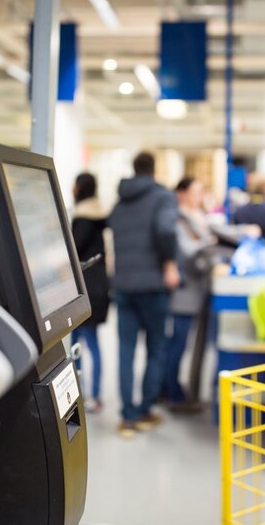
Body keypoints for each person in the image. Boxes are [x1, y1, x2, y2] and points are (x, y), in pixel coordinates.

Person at [108, 152, 180, 438]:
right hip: (152, 283)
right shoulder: (162, 197)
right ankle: (146, 409)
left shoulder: (119, 203)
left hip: (124, 283)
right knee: (156, 347)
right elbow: (165, 230)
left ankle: (128, 417)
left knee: (125, 349)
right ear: (154, 170)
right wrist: (170, 264)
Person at [165, 177, 215, 411]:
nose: (199, 196)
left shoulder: (200, 217)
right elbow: (187, 251)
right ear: (181, 193)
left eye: (201, 191)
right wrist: (210, 242)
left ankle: (183, 391)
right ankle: (172, 393)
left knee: (189, 344)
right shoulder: (177, 219)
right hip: (184, 291)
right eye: (195, 191)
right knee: (178, 344)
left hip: (201, 290)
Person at [70, 172, 110, 413]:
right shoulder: (101, 216)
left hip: (82, 289)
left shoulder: (83, 218)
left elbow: (72, 251)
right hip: (99, 287)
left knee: (78, 344)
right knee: (93, 343)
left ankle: (81, 394)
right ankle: (94, 395)